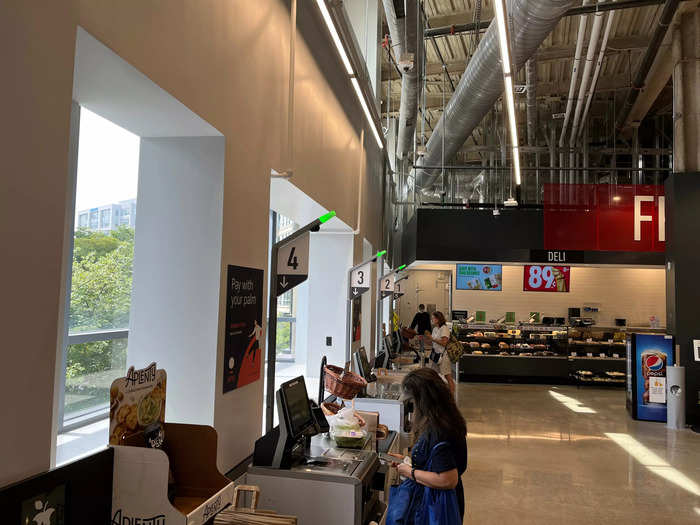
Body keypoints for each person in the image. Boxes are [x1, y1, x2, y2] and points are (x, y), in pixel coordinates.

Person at [389, 368, 468, 522]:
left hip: (435, 508)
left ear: (423, 400)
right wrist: (407, 461)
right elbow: (437, 462)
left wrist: (410, 472)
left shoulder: (438, 431)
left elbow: (447, 479)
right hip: (449, 501)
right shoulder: (448, 416)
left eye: (413, 402)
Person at [424, 311, 456, 395]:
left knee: (447, 376)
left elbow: (444, 343)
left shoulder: (444, 328)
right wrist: (427, 339)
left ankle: (451, 396)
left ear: (438, 319)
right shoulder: (435, 329)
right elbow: (433, 342)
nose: (432, 320)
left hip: (443, 356)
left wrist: (432, 338)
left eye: (433, 318)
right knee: (433, 374)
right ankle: (439, 392)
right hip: (435, 355)